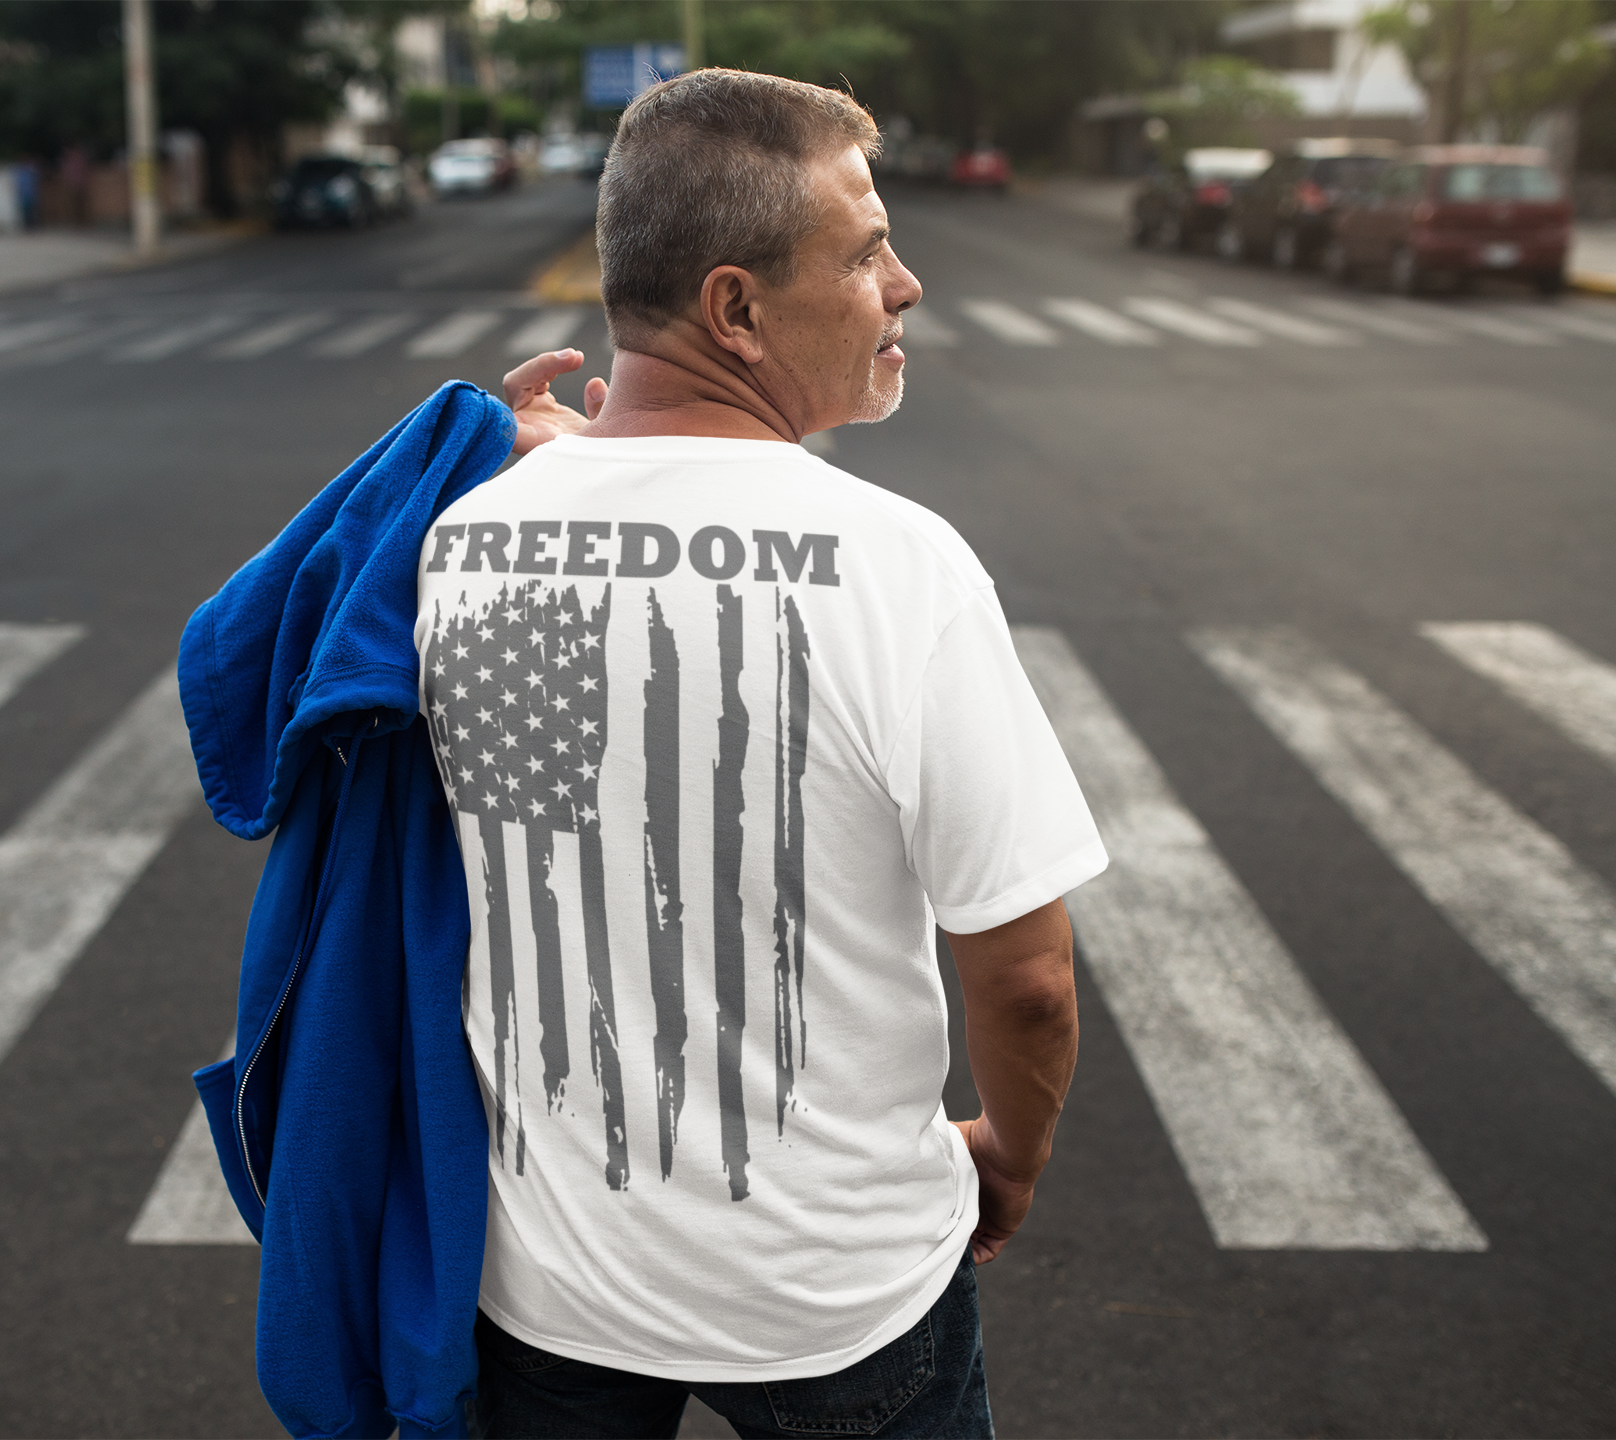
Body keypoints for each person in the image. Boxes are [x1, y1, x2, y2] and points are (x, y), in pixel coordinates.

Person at [420, 69, 1107, 1439]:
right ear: (735, 309)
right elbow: (1027, 979)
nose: (904, 286)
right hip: (836, 1296)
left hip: (548, 1289)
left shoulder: (459, 537)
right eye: (864, 254)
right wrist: (1011, 1153)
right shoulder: (898, 566)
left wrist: (565, 472)